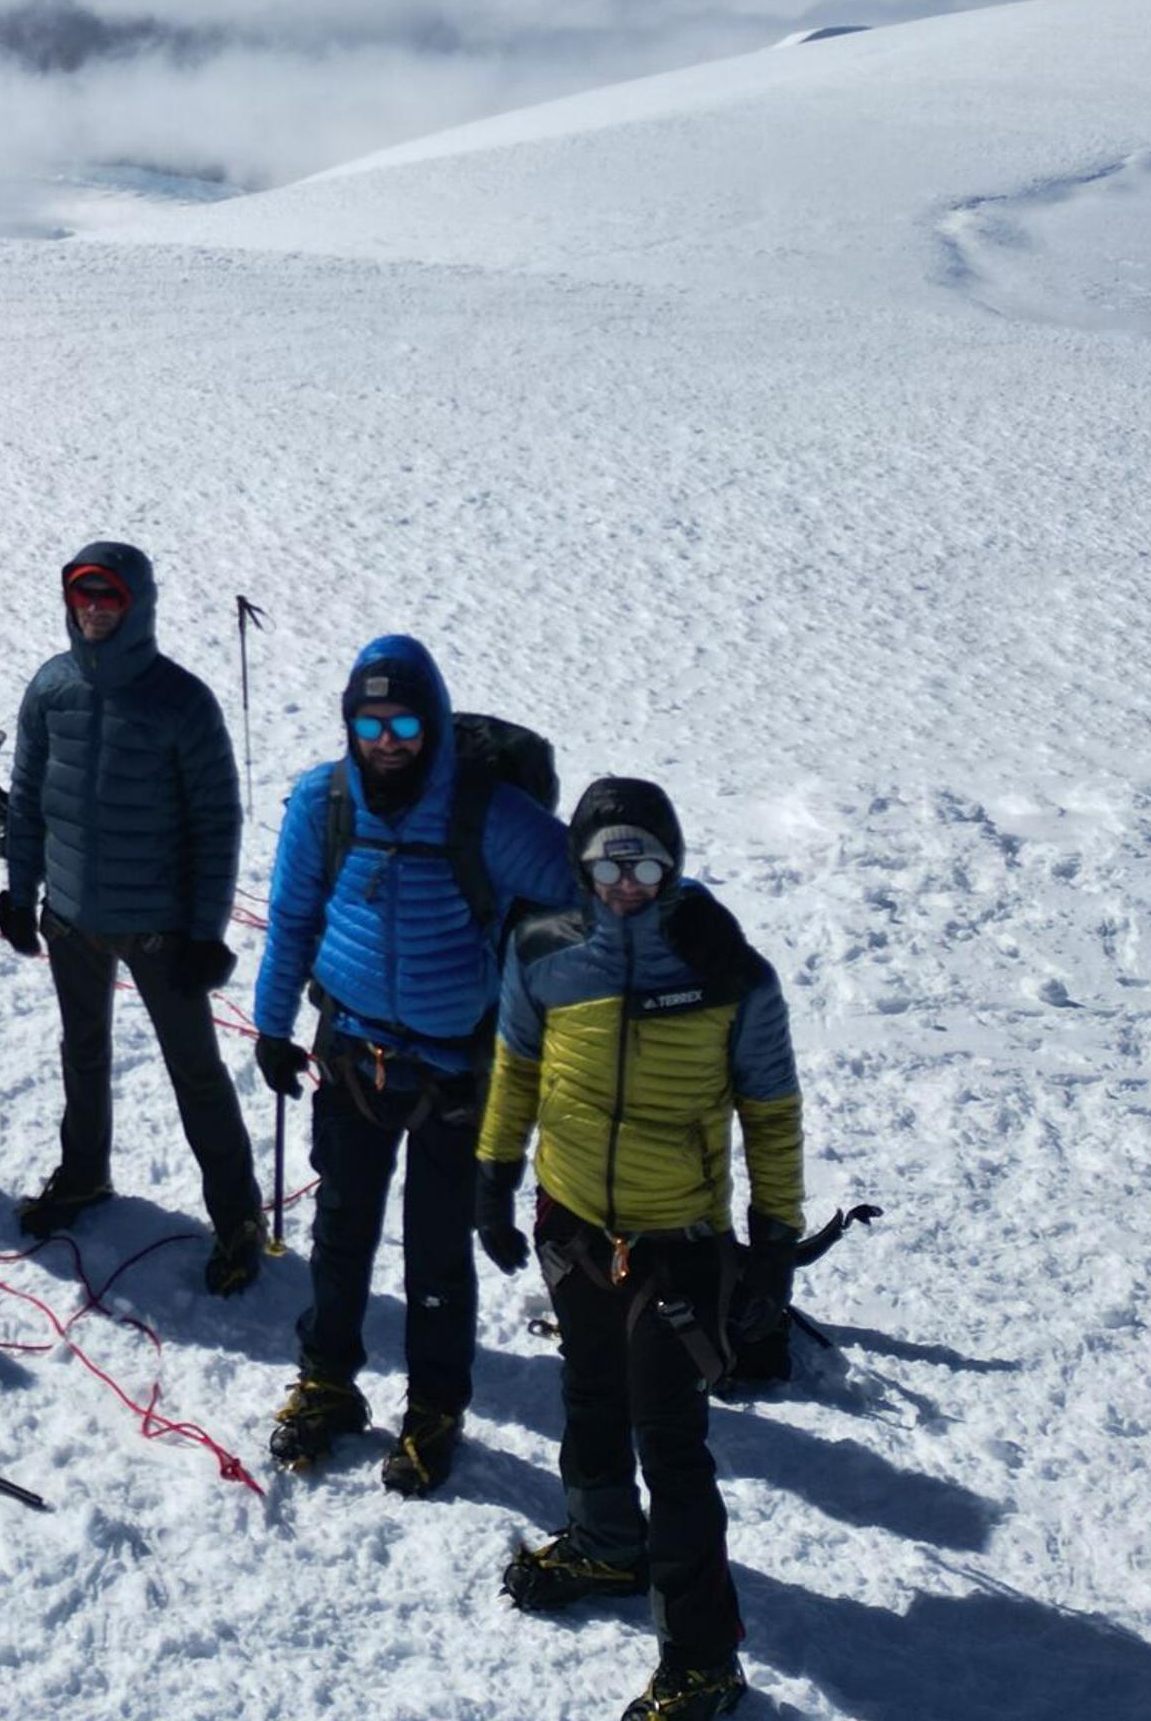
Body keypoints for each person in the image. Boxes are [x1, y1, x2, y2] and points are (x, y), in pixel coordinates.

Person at [477, 777, 802, 1721]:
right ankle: (605, 1542)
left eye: (646, 862)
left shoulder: (726, 970)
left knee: (672, 1442)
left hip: (678, 1245)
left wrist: (775, 1242)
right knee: (587, 1393)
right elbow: (516, 1065)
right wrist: (495, 1173)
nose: (626, 881)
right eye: (607, 862)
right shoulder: (541, 951)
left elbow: (771, 1115)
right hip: (574, 1223)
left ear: (676, 864)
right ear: (578, 865)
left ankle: (702, 1660)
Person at [246, 633, 572, 1493]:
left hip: (458, 1073)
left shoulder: (488, 815)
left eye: (405, 722)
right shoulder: (324, 803)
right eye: (370, 721)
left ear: (433, 721)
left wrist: (675, 924)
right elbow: (291, 922)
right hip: (351, 1053)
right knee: (341, 1235)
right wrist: (271, 1027)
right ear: (349, 723)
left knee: (436, 1253)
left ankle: (435, 1406)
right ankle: (327, 1381)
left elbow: (591, 886)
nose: (387, 739)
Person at [0, 542, 263, 1289]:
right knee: (82, 1053)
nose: (93, 609)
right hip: (72, 914)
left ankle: (238, 1216)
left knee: (195, 1072)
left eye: (107, 596)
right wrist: (22, 893)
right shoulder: (51, 688)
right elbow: (26, 796)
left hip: (159, 928)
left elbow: (217, 822)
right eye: (82, 596)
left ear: (137, 604)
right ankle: (84, 1175)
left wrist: (205, 934)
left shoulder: (181, 700)